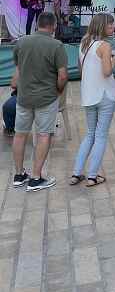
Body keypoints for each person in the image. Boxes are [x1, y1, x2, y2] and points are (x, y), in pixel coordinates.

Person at [11, 12, 68, 190]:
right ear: (53, 26)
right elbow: (63, 75)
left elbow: (18, 70)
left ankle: (19, 175)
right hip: (46, 97)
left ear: (38, 25)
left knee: (20, 134)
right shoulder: (57, 45)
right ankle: (36, 178)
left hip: (23, 97)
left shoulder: (21, 42)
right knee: (44, 135)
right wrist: (58, 90)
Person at [71, 14, 115, 187]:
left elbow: (80, 68)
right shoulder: (105, 46)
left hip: (89, 94)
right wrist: (114, 61)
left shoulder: (84, 42)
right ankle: (92, 175)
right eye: (111, 25)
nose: (114, 27)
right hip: (105, 95)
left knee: (90, 134)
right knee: (101, 135)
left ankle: (76, 173)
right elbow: (107, 72)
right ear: (103, 26)